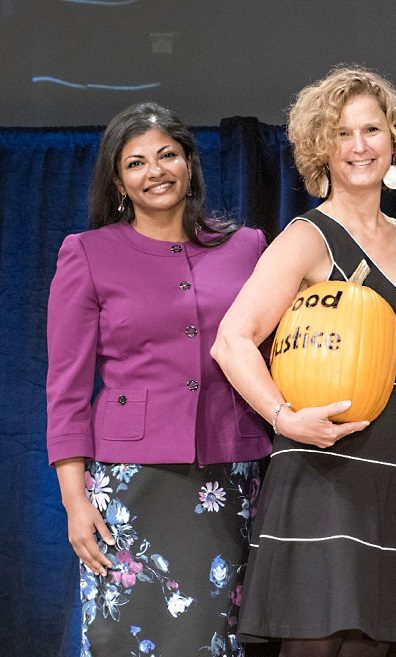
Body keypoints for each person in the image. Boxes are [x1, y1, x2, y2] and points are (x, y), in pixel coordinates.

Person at [211, 67, 396, 657]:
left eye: (372, 129)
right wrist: (283, 417)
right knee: (317, 643)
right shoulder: (308, 236)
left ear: (393, 139)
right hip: (324, 466)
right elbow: (233, 339)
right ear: (320, 147)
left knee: (373, 645)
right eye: (342, 132)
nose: (359, 146)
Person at [46, 102, 271, 656]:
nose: (156, 171)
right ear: (118, 180)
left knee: (216, 637)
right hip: (130, 485)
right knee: (121, 636)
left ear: (190, 163)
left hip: (228, 473)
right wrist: (76, 503)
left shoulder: (248, 248)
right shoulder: (88, 253)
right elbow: (67, 390)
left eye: (167, 155)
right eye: (136, 163)